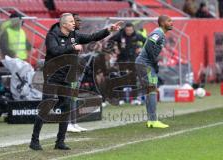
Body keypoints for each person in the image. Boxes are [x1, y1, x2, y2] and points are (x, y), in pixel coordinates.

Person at [29, 13, 122, 151]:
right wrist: (72, 48)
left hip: (67, 77)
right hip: (52, 76)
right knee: (46, 106)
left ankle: (60, 141)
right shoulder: (52, 35)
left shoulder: (74, 35)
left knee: (66, 107)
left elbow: (92, 37)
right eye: (71, 21)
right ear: (64, 24)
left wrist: (108, 30)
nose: (74, 23)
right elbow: (54, 51)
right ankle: (34, 140)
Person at [135, 15, 173, 128]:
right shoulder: (158, 32)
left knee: (150, 90)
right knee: (152, 90)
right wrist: (154, 61)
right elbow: (150, 45)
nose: (172, 23)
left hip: (145, 64)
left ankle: (151, 120)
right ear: (162, 23)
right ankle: (153, 120)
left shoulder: (161, 33)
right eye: (169, 20)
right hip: (145, 64)